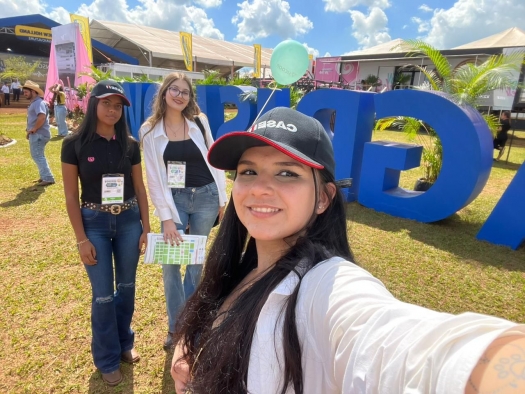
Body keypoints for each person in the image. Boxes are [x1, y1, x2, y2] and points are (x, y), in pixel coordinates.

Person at [170, 107, 525, 394]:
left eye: (287, 174)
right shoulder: (241, 267)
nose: (260, 188)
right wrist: (189, 348)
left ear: (323, 198)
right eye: (248, 171)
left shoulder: (324, 288)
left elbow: (408, 351)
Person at [61, 80, 150, 386]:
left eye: (117, 105)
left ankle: (124, 343)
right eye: (106, 103)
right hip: (94, 223)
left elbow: (139, 188)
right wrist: (81, 239)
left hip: (128, 222)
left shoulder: (130, 144)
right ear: (93, 105)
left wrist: (146, 229)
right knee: (102, 296)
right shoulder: (74, 144)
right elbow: (71, 196)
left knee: (126, 287)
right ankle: (107, 357)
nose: (112, 110)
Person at [140, 72, 227, 350]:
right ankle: (175, 327)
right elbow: (154, 178)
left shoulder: (199, 122)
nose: (179, 95)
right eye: (174, 89)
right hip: (174, 200)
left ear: (190, 98)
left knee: (195, 264)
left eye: (185, 92)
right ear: (164, 92)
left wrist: (223, 201)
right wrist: (166, 218)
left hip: (206, 197)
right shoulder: (150, 131)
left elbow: (214, 159)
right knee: (170, 265)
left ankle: (192, 324)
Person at [22, 80, 55, 186]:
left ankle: (48, 177)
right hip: (39, 133)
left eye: (26, 92)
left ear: (34, 92)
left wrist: (34, 129)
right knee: (39, 155)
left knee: (37, 155)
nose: (25, 94)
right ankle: (44, 176)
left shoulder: (38, 103)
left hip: (39, 134)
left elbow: (42, 116)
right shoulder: (36, 102)